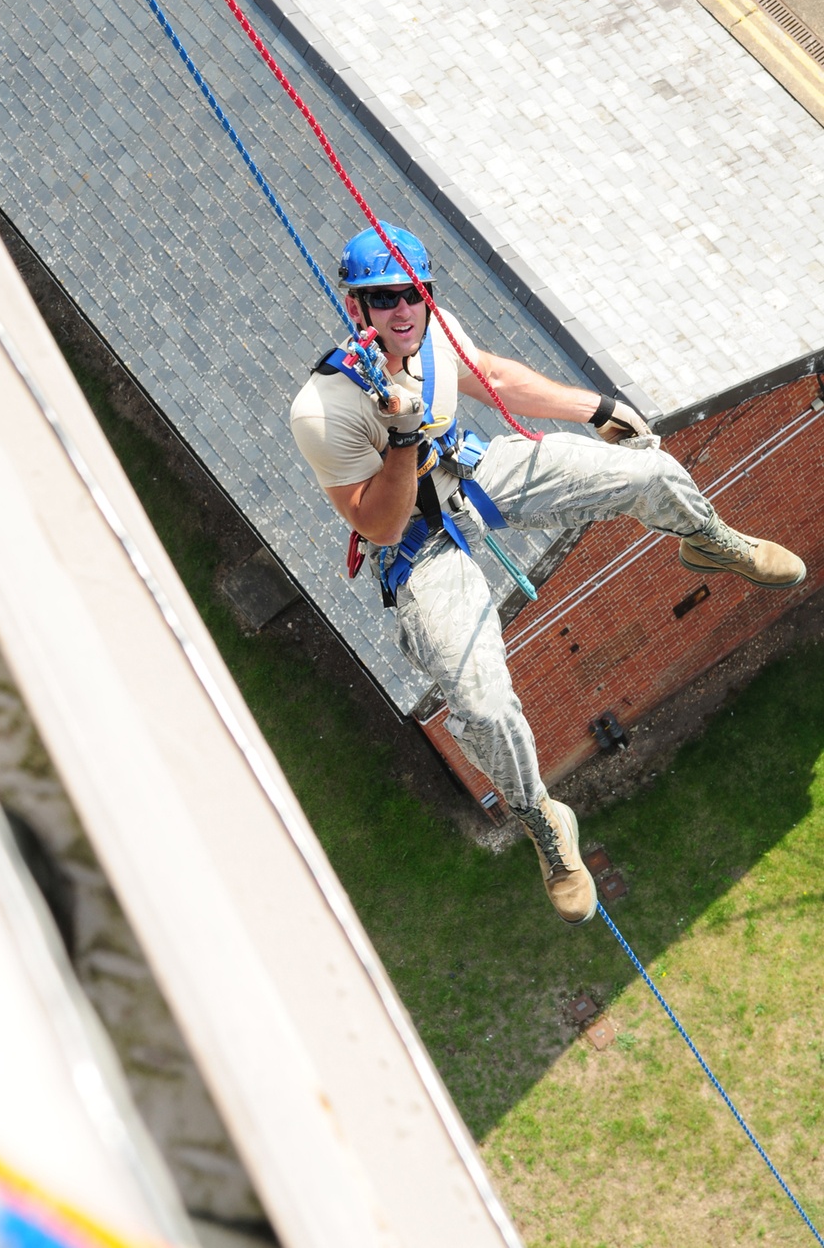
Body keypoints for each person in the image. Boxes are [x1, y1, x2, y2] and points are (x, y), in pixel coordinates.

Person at [290, 223, 806, 926]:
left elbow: (494, 377)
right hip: (416, 538)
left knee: (649, 470)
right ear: (356, 309)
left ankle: (709, 540)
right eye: (383, 299)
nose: (402, 310)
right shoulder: (323, 411)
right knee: (483, 705)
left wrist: (595, 408)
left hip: (472, 471)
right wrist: (405, 438)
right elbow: (377, 524)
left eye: (412, 294)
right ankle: (542, 820)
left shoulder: (436, 332)